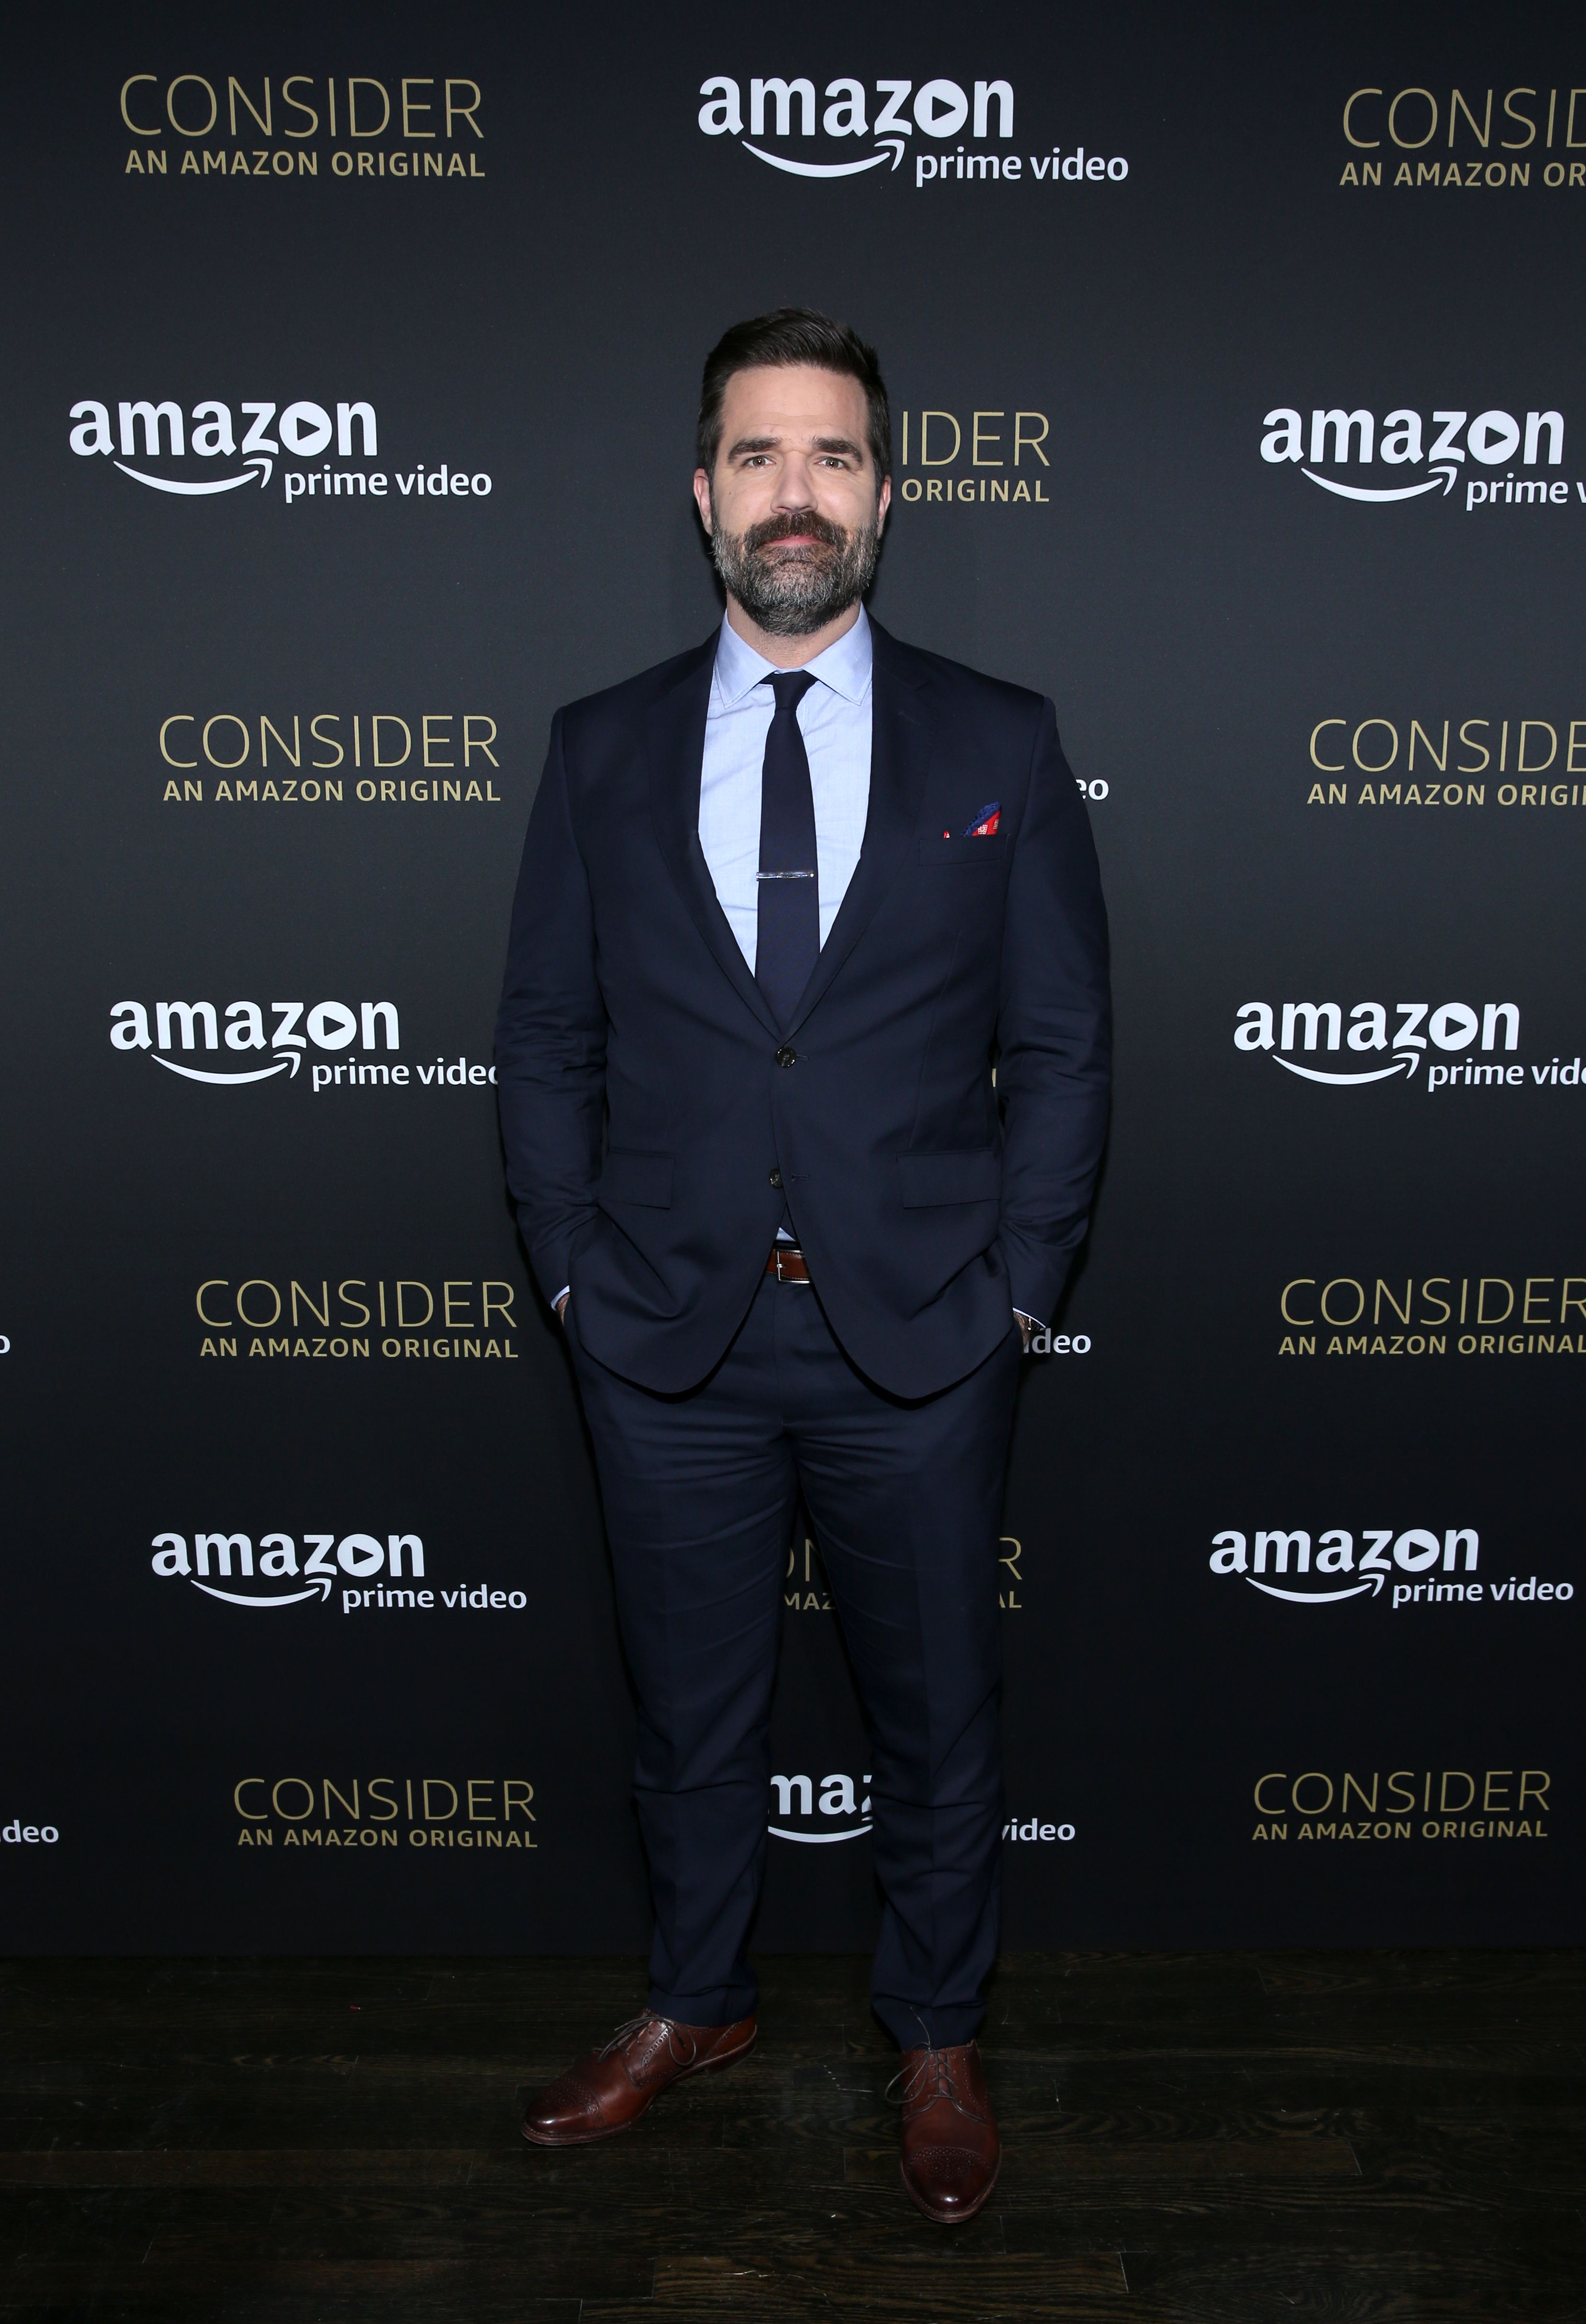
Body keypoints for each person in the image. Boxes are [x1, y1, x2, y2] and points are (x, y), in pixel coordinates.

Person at [495, 308, 1110, 2223]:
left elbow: (1068, 1044)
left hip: (918, 1332)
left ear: (885, 494)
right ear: (703, 495)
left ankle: (935, 2029)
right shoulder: (600, 748)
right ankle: (697, 1997)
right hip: (666, 1329)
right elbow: (543, 1041)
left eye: (832, 456)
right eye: (758, 455)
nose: (795, 492)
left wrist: (1019, 1280)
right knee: (688, 1710)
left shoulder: (1000, 736)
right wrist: (580, 1279)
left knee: (938, 1707)